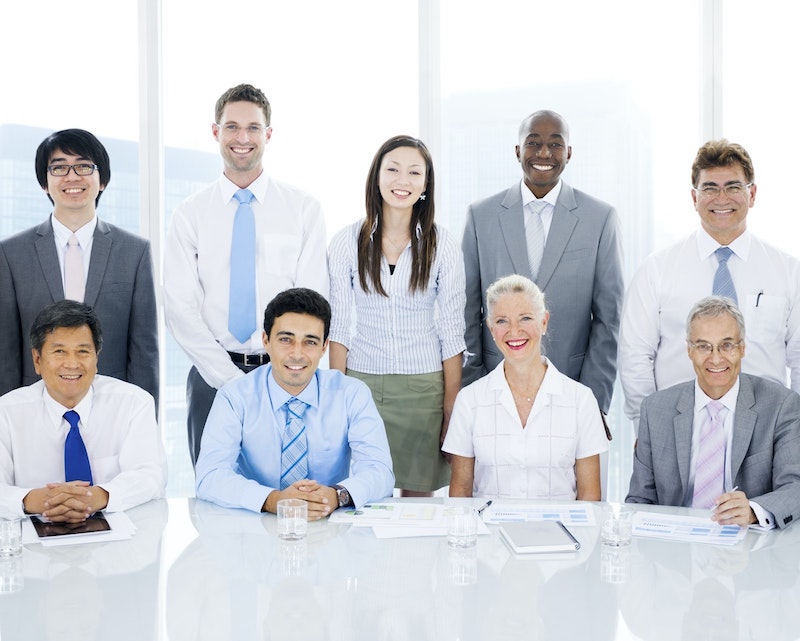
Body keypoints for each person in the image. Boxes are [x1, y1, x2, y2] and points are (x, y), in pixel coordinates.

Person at [164, 83, 328, 467]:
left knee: (283, 494)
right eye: (232, 126)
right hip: (211, 378)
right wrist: (231, 382)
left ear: (268, 134)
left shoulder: (303, 209)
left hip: (285, 376)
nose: (243, 137)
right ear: (215, 132)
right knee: (214, 498)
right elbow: (180, 308)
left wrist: (280, 374)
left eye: (253, 127)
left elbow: (311, 301)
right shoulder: (190, 214)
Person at [619, 139, 800, 432]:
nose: (721, 198)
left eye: (733, 187)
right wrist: (648, 426)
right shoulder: (657, 270)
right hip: (679, 428)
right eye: (710, 188)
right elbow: (635, 356)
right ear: (694, 197)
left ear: (752, 194)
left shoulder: (788, 272)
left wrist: (792, 431)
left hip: (767, 430)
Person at [461, 110, 623, 427]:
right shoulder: (481, 216)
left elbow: (609, 318)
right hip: (495, 390)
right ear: (518, 150)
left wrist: (594, 402)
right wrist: (473, 389)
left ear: (569, 153)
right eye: (533, 143)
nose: (544, 153)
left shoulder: (599, 218)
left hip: (573, 390)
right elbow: (467, 310)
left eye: (555, 144)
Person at [327, 135, 465, 496]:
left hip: (424, 388)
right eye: (392, 169)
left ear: (425, 185)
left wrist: (451, 409)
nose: (402, 181)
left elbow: (452, 333)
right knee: (365, 494)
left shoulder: (443, 244)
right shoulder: (346, 242)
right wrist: (335, 397)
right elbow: (339, 328)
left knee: (419, 501)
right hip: (362, 384)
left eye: (414, 173)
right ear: (377, 177)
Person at [195, 288, 394, 518]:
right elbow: (209, 476)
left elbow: (380, 471)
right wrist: (273, 500)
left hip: (328, 524)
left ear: (324, 347)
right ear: (266, 341)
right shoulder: (234, 398)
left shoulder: (352, 394)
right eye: (286, 340)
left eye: (309, 342)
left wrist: (337, 496)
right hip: (255, 526)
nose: (297, 354)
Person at [0, 128, 159, 407]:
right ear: (44, 183)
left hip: (113, 408)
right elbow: (6, 352)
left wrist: (145, 421)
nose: (72, 177)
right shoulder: (11, 253)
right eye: (59, 167)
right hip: (35, 409)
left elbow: (145, 353)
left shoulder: (135, 252)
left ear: (103, 180)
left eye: (84, 166)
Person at [627, 296, 800, 529]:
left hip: (748, 545)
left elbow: (795, 487)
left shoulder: (781, 405)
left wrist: (753, 510)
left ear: (743, 348)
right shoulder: (655, 409)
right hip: (675, 549)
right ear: (689, 350)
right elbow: (639, 502)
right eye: (703, 346)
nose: (716, 357)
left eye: (727, 345)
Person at [442, 274, 608, 500]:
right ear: (491, 329)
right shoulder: (469, 401)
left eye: (525, 318)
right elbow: (460, 492)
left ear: (544, 322)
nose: (514, 330)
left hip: (559, 534)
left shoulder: (581, 401)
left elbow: (590, 497)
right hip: (489, 533)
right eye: (502, 321)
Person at [0, 300, 167, 520]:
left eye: (83, 351)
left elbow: (151, 476)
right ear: (37, 360)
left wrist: (97, 496)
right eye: (59, 351)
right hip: (33, 544)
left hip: (118, 543)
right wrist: (35, 500)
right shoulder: (7, 412)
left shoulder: (134, 403)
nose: (72, 364)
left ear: (96, 358)